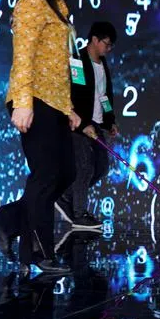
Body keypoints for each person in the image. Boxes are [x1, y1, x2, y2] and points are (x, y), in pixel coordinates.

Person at [0, 0, 81, 275]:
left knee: (65, 172)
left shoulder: (60, 8)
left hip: (54, 102)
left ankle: (7, 221)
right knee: (45, 175)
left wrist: (68, 107)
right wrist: (22, 103)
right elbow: (22, 58)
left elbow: (62, 65)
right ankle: (39, 252)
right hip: (33, 99)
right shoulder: (30, 5)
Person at [55, 21, 118, 230]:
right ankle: (79, 214)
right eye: (106, 44)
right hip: (80, 124)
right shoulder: (77, 61)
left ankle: (65, 196)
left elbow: (104, 96)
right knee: (84, 168)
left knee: (101, 168)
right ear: (95, 40)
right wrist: (82, 125)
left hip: (98, 124)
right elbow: (75, 95)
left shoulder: (103, 65)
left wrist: (110, 121)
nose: (108, 49)